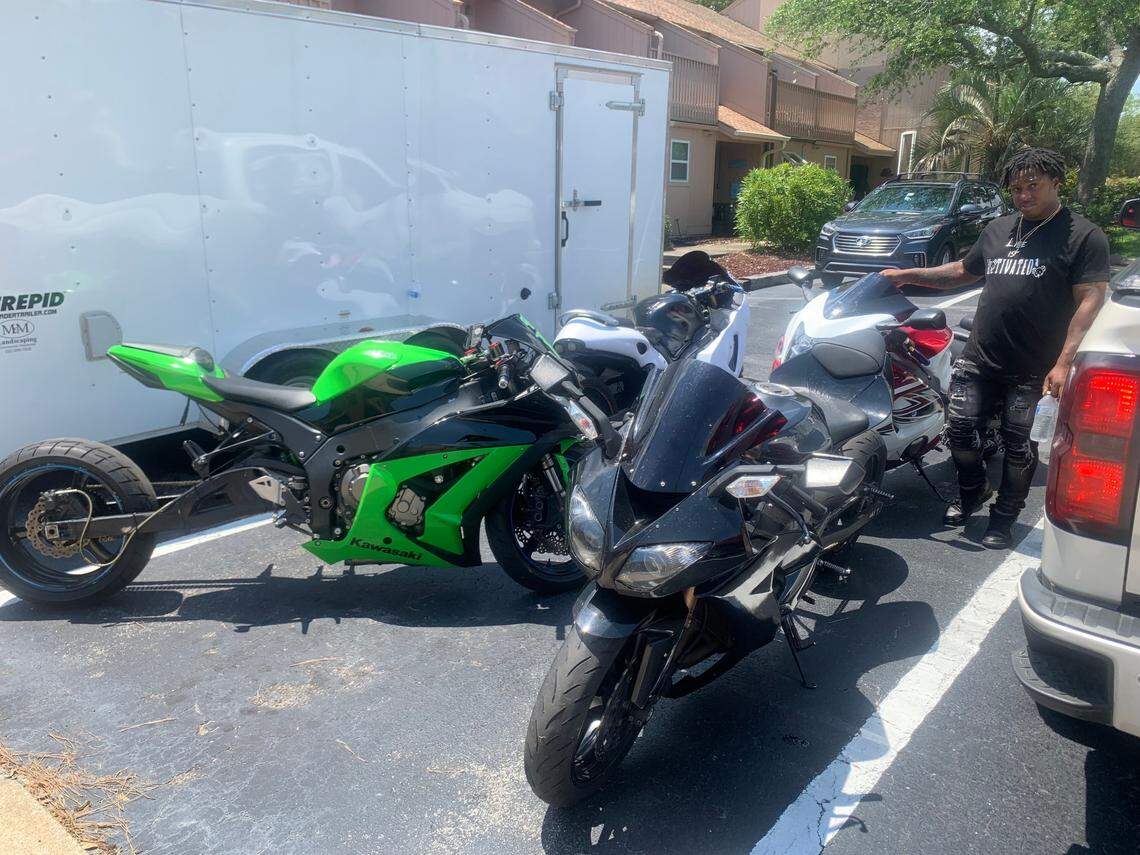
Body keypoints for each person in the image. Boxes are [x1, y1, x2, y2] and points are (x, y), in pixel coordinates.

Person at [881, 149, 1109, 548]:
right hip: (981, 356)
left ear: (1057, 183)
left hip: (1034, 367)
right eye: (1017, 188)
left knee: (1019, 446)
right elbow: (962, 272)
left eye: (1032, 186)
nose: (1023, 195)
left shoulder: (1083, 235)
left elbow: (1091, 298)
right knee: (961, 430)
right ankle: (973, 491)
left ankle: (1003, 519)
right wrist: (907, 276)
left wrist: (1064, 363)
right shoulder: (998, 229)